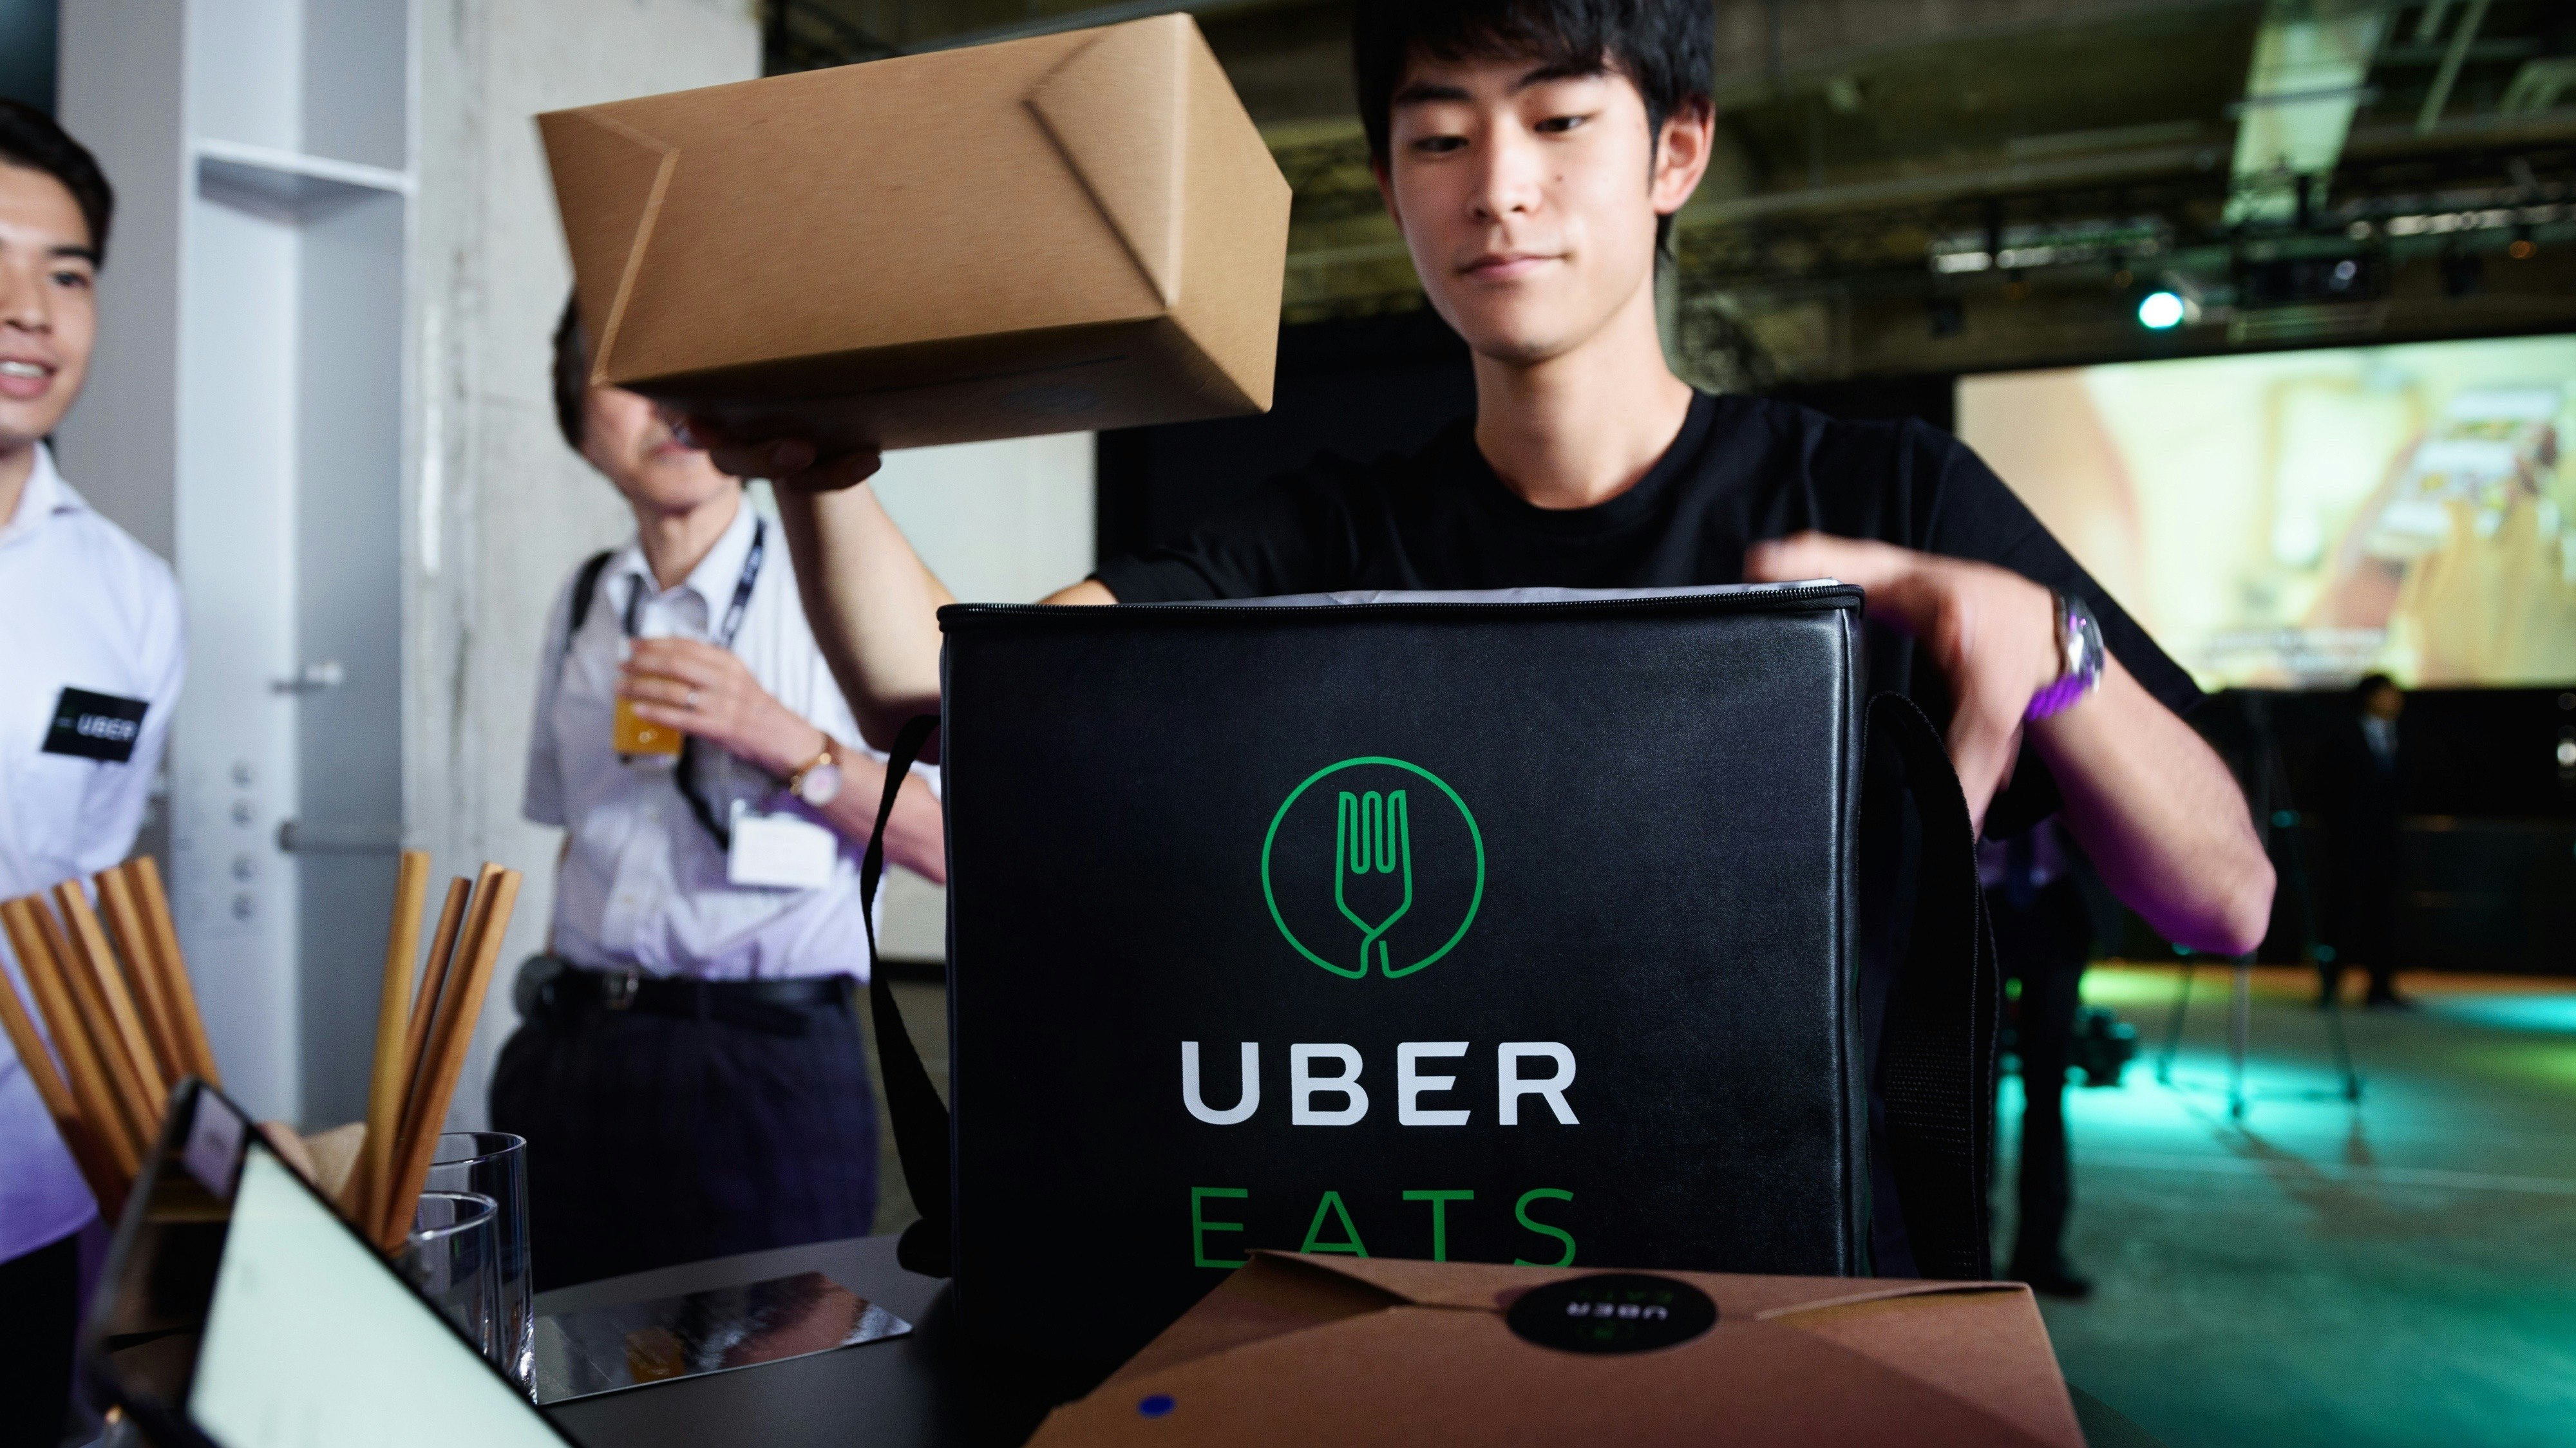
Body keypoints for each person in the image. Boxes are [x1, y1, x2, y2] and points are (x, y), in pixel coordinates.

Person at [695, 0, 2275, 1274]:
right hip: (1404, 1277)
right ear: (1390, 188)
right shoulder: (1322, 532)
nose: (1495, 184)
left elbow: (2224, 896)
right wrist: (818, 470)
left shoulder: (1886, 493)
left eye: (1558, 121)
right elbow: (959, 692)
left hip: (1781, 1289)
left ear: (1675, 151)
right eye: (1439, 138)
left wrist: (2039, 633)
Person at [489, 297, 946, 1291]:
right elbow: (578, 832)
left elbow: (958, 846)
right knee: (558, 1373)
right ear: (579, 412)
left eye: (696, 372)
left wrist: (781, 739)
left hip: (763, 1062)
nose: (673, 408)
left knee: (765, 1406)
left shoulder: (839, 592)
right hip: (575, 1052)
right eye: (630, 377)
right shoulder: (585, 598)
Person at [0, 102, 184, 1448]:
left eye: (66, 274)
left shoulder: (130, 596)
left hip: (28, 1188)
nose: (30, 313)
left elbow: (103, 899)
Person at [1982, 818, 2096, 1298]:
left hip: (2056, 901)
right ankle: (1968, 1249)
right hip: (1973, 896)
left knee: (2048, 1089)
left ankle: (2041, 1250)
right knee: (1969, 1088)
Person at [2318, 673, 2409, 1009]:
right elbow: (2327, 788)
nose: (2395, 701)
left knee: (2384, 915)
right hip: (2349, 843)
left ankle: (2381, 987)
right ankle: (2330, 986)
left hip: (2387, 845)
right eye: (2387, 694)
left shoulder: (2403, 736)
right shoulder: (2343, 736)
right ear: (2369, 697)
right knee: (2340, 913)